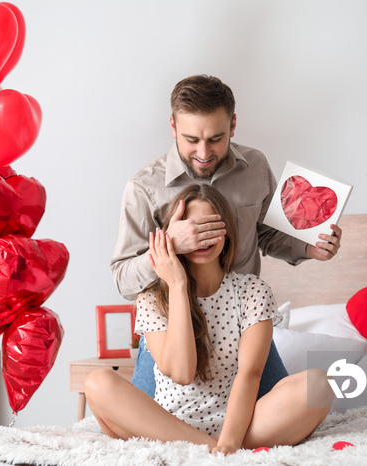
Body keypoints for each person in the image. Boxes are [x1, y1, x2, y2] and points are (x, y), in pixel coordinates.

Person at [110, 74, 342, 398]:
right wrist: (171, 245)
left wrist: (309, 248)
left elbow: (268, 236)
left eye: (216, 138)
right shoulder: (143, 188)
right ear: (173, 126)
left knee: (302, 409)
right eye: (191, 139)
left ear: (233, 125)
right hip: (173, 329)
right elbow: (123, 278)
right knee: (143, 431)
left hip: (244, 327)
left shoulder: (256, 167)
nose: (204, 152)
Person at [88, 185, 334, 455]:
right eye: (191, 229)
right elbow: (182, 373)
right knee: (97, 383)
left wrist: (229, 442)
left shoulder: (252, 291)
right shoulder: (150, 299)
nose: (200, 238)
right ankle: (206, 449)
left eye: (210, 227)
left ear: (227, 232)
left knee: (320, 383)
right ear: (174, 236)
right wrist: (178, 284)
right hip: (165, 426)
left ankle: (215, 449)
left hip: (239, 427)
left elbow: (250, 375)